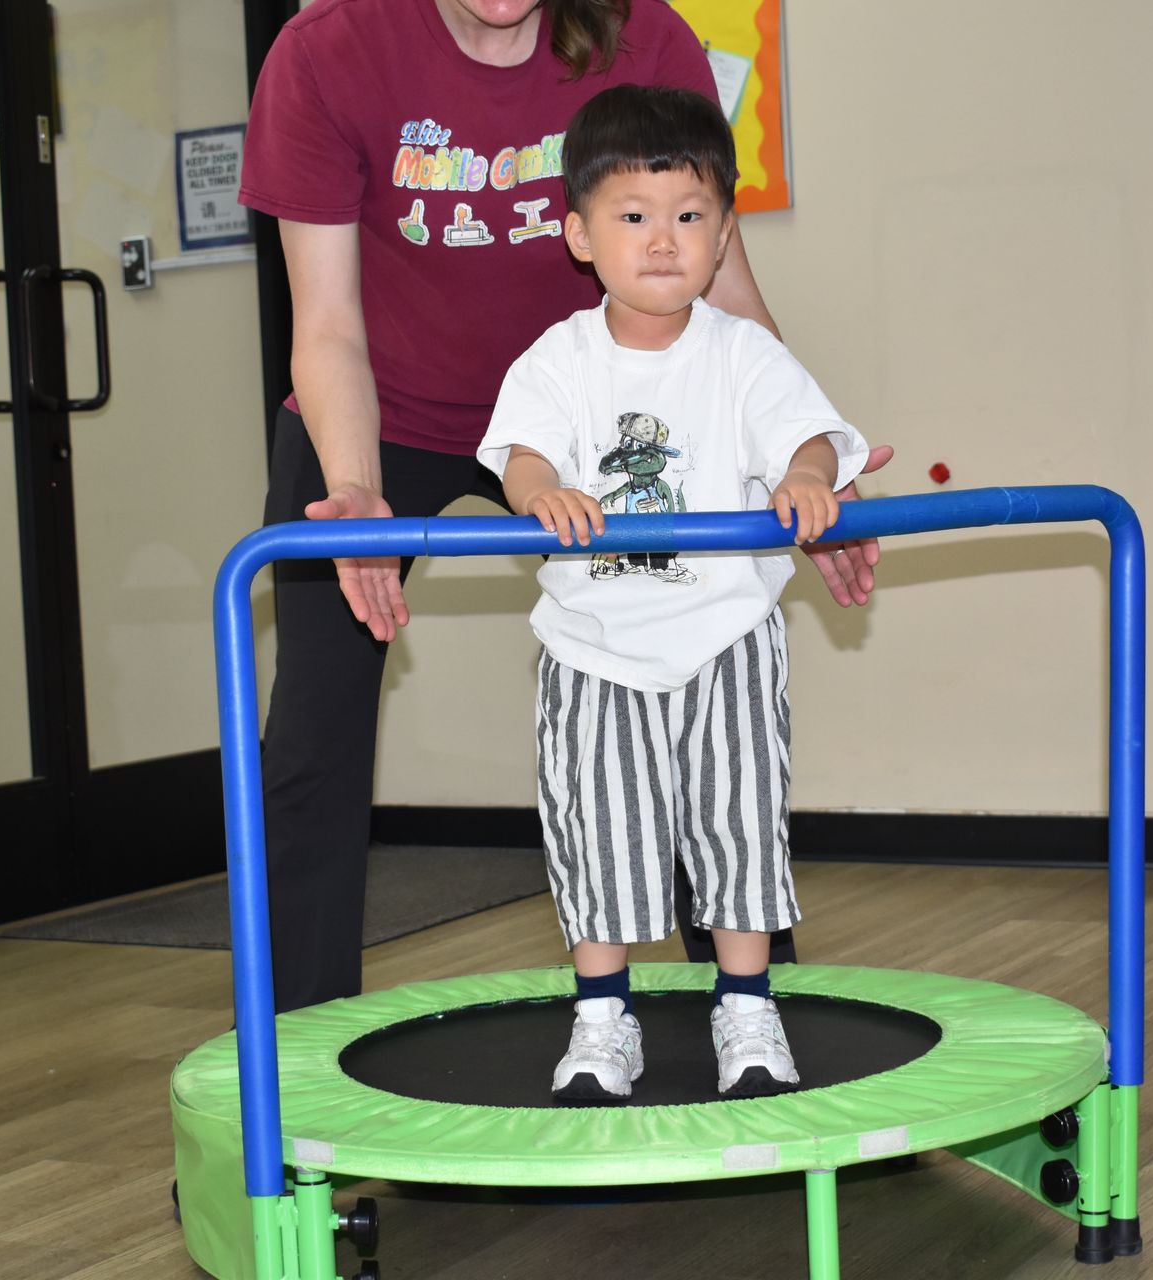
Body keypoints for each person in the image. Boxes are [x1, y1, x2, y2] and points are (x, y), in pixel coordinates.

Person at [238, 0, 888, 1017]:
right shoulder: (326, 51)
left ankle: (749, 1027)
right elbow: (325, 325)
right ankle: (291, 1099)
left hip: (595, 405)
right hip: (377, 411)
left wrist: (801, 464)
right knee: (315, 740)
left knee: (678, 655)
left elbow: (722, 291)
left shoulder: (645, 38)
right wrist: (356, 489)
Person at [476, 84, 870, 1099]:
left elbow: (808, 433)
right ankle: (604, 1017)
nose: (663, 241)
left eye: (690, 217)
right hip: (593, 646)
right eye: (634, 216)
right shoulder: (559, 359)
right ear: (578, 233)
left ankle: (749, 1003)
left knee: (738, 822)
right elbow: (520, 455)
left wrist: (809, 477)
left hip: (723, 636)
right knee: (596, 828)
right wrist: (543, 490)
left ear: (723, 231)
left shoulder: (742, 354)